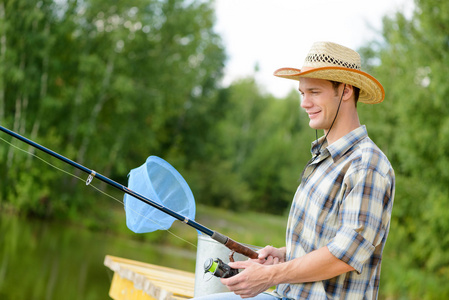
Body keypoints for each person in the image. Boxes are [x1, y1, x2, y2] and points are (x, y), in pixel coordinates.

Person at [194, 41, 395, 300]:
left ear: (345, 91)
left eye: (314, 92)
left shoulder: (367, 165)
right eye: (302, 93)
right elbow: (327, 243)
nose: (304, 103)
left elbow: (344, 256)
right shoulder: (323, 158)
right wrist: (285, 255)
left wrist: (269, 276)